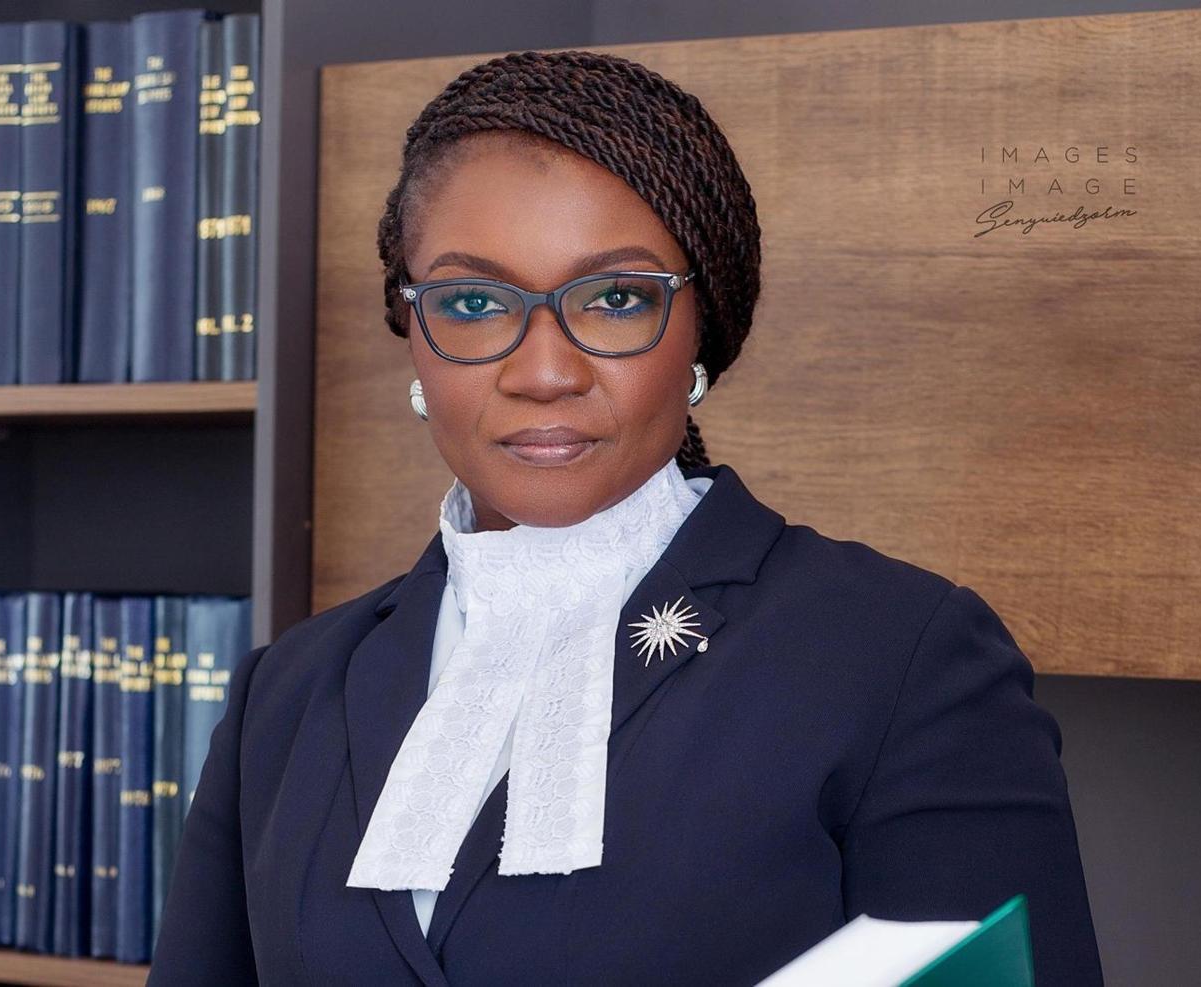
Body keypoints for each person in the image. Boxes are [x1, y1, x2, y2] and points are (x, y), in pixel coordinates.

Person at [149, 48, 1103, 986]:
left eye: (615, 298)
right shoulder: (289, 690)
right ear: (414, 335)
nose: (543, 372)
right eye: (473, 301)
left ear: (700, 333)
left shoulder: (899, 659)